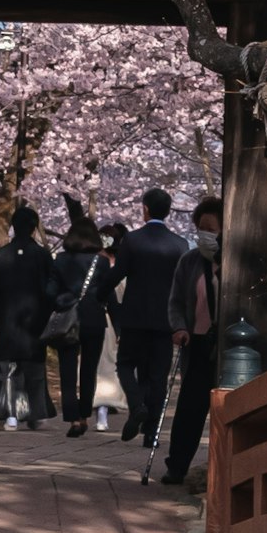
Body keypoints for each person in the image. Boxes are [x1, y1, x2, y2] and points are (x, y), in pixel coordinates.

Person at [158, 188, 225, 490]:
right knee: (189, 409)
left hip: (228, 345)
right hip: (196, 343)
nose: (205, 235)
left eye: (211, 230)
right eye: (201, 229)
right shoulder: (189, 262)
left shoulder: (234, 261)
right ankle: (177, 465)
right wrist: (178, 327)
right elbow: (174, 301)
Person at [111, 185, 184, 444]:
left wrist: (98, 294)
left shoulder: (132, 240)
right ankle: (151, 432)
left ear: (145, 209)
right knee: (157, 375)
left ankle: (136, 405)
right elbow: (184, 286)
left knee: (126, 365)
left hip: (134, 317)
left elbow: (116, 275)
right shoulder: (180, 245)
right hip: (165, 321)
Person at [0, 200, 58, 427]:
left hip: (6, 320)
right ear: (35, 227)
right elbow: (52, 288)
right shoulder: (43, 256)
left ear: (14, 226)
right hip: (35, 321)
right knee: (33, 368)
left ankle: (11, 414)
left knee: (7, 368)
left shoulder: (2, 255)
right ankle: (35, 415)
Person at [47, 196, 111, 433]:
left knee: (66, 370)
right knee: (89, 370)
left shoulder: (61, 260)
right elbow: (107, 293)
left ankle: (73, 417)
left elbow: (49, 291)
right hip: (94, 319)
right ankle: (85, 415)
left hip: (68, 318)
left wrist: (62, 300)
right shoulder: (101, 263)